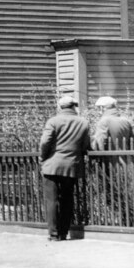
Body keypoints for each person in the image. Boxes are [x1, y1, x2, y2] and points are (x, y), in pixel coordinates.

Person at [39, 95, 90, 241]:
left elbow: (45, 142)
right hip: (71, 165)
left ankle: (54, 234)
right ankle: (63, 232)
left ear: (60, 107)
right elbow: (85, 144)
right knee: (67, 200)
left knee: (52, 200)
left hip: (52, 166)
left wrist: (42, 158)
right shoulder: (83, 122)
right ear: (74, 106)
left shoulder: (53, 121)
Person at [91, 96, 134, 226]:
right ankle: (127, 218)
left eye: (99, 108)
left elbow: (99, 143)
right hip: (127, 162)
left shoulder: (104, 121)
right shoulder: (125, 121)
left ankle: (115, 218)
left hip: (110, 163)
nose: (98, 111)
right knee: (126, 190)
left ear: (103, 108)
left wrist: (93, 153)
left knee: (111, 191)